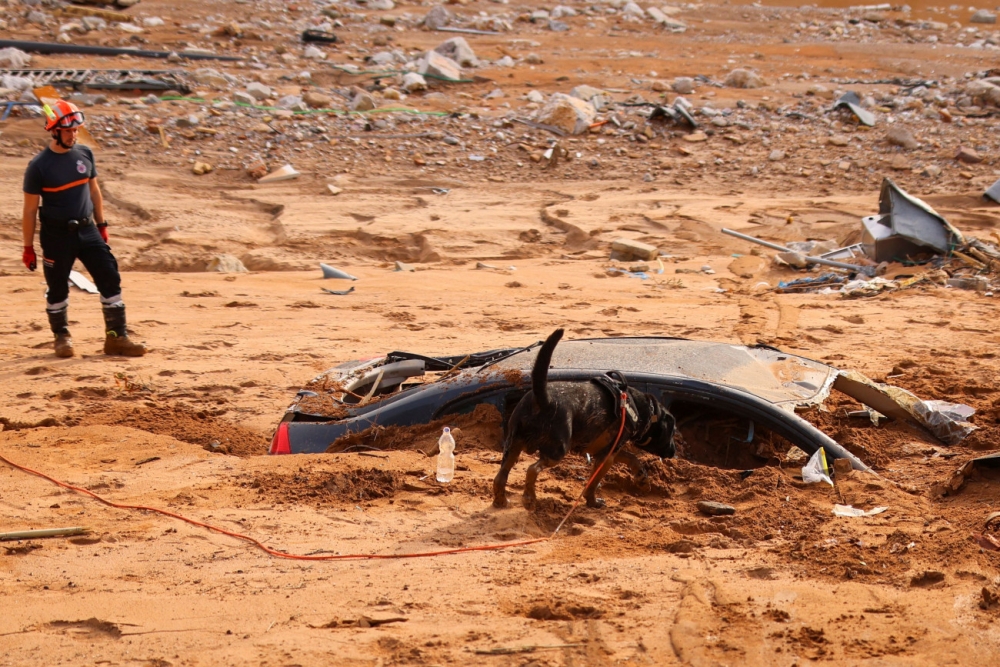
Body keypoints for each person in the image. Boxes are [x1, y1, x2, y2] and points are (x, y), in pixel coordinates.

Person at [22, 100, 146, 358]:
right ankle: (61, 337)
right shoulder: (38, 167)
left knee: (109, 277)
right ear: (54, 130)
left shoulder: (85, 154)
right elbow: (30, 210)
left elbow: (94, 191)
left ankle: (116, 338)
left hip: (88, 230)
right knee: (57, 287)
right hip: (56, 236)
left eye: (76, 130)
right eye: (68, 131)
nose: (73, 134)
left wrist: (102, 225)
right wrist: (27, 248)